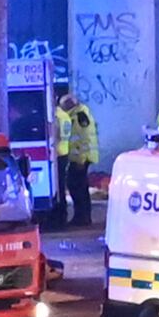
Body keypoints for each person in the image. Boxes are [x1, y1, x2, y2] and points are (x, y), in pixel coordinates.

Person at [52, 88, 101, 226]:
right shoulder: (77, 114)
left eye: (64, 105)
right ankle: (82, 217)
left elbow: (83, 140)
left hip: (80, 159)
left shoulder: (79, 116)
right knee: (79, 187)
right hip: (78, 158)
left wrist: (80, 160)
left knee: (77, 187)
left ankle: (82, 218)